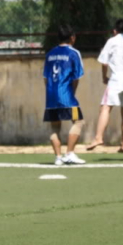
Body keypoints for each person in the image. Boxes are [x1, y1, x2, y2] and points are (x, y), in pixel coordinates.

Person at [87, 19, 123, 153]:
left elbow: (104, 62)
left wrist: (104, 77)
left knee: (105, 108)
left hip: (117, 79)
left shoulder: (112, 41)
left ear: (114, 31)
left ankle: (98, 137)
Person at [43, 24, 86, 165]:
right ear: (72, 38)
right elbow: (76, 77)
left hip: (51, 96)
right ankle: (70, 153)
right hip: (66, 95)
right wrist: (71, 93)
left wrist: (51, 92)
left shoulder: (49, 54)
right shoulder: (74, 53)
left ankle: (58, 158)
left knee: (55, 126)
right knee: (78, 121)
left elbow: (45, 77)